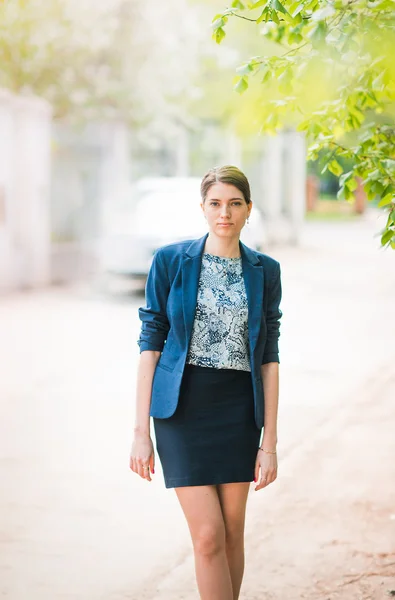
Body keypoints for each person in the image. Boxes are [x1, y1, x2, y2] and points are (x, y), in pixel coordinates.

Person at [130, 165, 282, 600]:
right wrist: (141, 433)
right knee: (209, 536)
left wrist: (269, 441)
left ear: (249, 209)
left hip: (238, 409)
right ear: (202, 208)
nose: (225, 213)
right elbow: (150, 343)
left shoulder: (264, 270)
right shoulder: (171, 261)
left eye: (235, 204)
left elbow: (269, 357)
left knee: (233, 533)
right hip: (182, 410)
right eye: (216, 204)